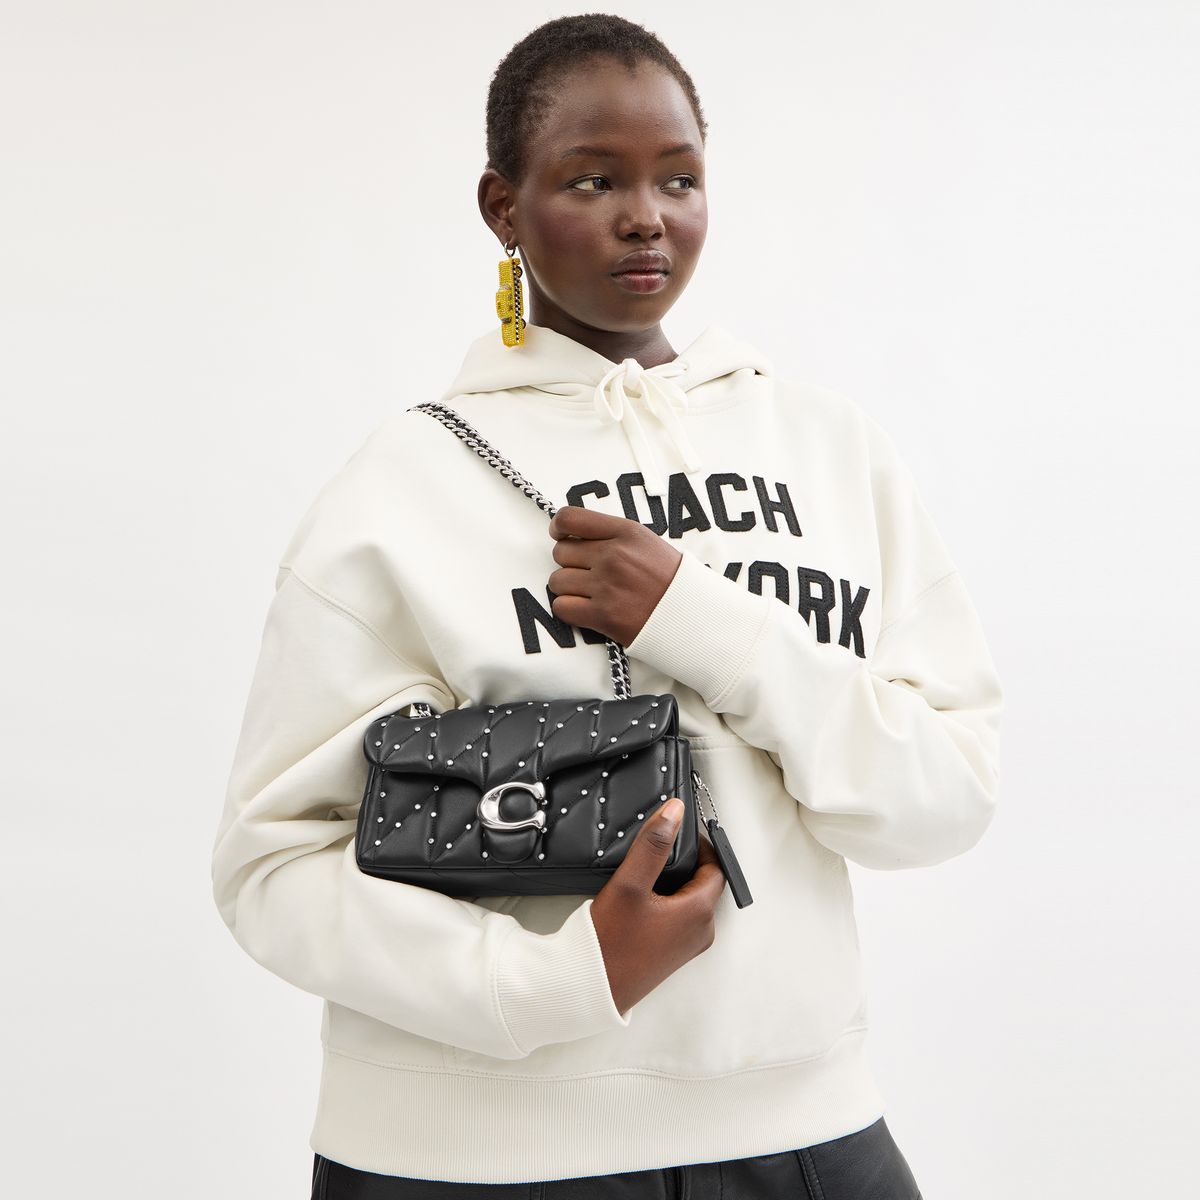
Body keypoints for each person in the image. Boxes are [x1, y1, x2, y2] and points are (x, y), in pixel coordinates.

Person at [211, 13, 1004, 1199]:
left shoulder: (831, 452)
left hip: (805, 1134)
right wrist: (563, 980)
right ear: (504, 207)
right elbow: (271, 865)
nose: (647, 217)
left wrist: (701, 623)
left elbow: (945, 797)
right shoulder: (399, 489)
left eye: (678, 179)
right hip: (470, 1160)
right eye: (594, 180)